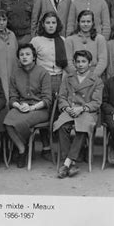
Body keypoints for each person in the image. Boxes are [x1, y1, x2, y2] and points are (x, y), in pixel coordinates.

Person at [53, 50, 103, 178]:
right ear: (74, 63)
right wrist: (66, 107)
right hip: (70, 109)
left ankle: (67, 163)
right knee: (62, 126)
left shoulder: (96, 80)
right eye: (78, 62)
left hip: (87, 111)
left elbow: (96, 102)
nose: (80, 65)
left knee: (82, 128)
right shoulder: (68, 78)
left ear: (90, 63)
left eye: (84, 62)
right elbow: (62, 97)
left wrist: (82, 108)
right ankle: (71, 162)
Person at [4, 43, 52, 168]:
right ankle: (22, 149)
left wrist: (32, 108)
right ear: (18, 58)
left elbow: (47, 99)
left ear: (34, 57)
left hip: (39, 109)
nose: (24, 57)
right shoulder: (15, 74)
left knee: (21, 122)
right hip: (21, 107)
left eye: (27, 54)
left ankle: (23, 144)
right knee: (8, 121)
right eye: (21, 55)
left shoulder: (43, 73)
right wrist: (18, 106)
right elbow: (12, 97)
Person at [31, 11, 69, 161]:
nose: (51, 26)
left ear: (57, 24)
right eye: (48, 23)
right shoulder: (36, 41)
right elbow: (32, 62)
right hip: (42, 79)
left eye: (53, 23)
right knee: (45, 111)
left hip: (60, 78)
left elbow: (67, 64)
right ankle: (46, 146)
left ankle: (60, 148)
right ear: (42, 24)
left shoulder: (63, 40)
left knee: (59, 112)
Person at [65, 10, 107, 77]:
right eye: (83, 21)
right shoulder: (70, 39)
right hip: (75, 77)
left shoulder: (100, 39)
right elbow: (68, 61)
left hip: (94, 77)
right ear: (78, 23)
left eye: (88, 21)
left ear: (92, 23)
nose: (85, 24)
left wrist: (92, 76)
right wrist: (77, 76)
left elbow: (102, 61)